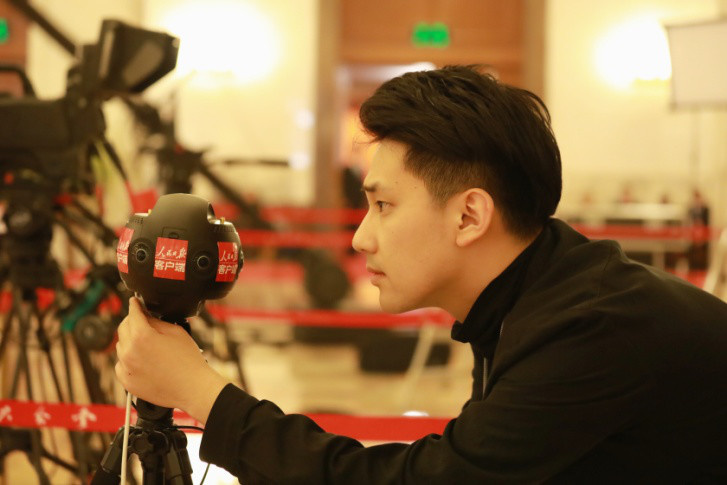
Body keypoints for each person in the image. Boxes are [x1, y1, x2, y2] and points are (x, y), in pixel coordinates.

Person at [115, 65, 727, 483]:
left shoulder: (590, 326)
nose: (360, 236)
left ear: (469, 215)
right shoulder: (538, 294)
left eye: (382, 205)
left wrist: (201, 393)